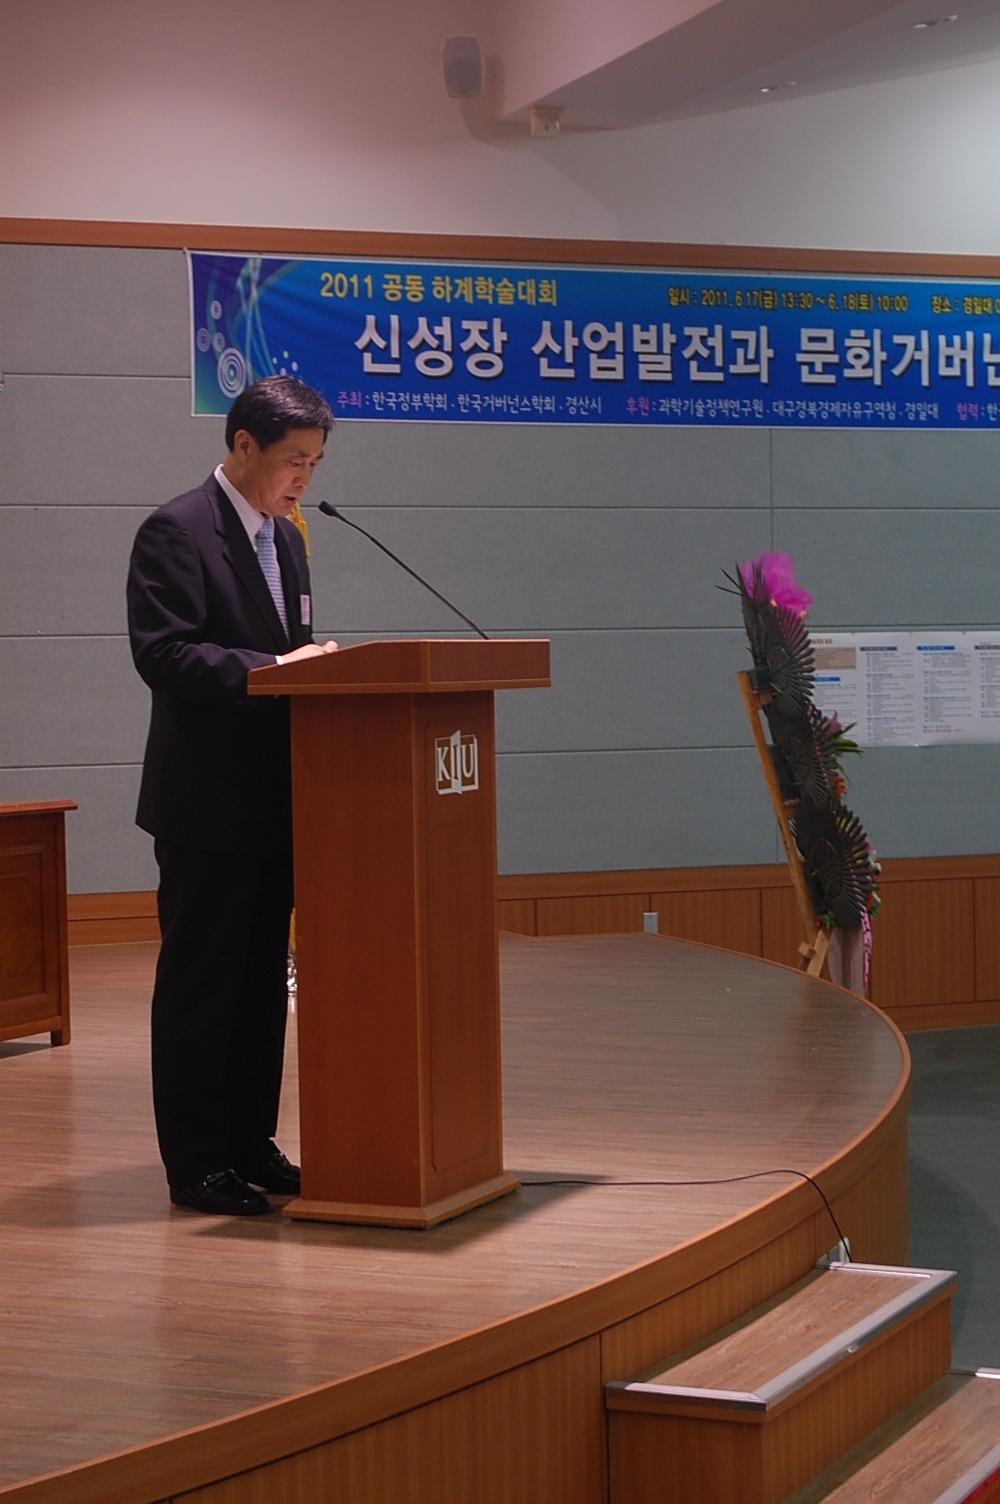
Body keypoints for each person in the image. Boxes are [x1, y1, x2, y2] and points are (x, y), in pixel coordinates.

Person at [126, 375, 338, 1216]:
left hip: (277, 802)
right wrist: (277, 669)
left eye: (315, 463)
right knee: (202, 985)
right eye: (293, 460)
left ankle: (252, 1143)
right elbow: (164, 653)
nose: (303, 479)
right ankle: (197, 1161)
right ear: (243, 445)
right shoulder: (176, 530)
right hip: (206, 805)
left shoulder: (287, 540)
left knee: (259, 988)